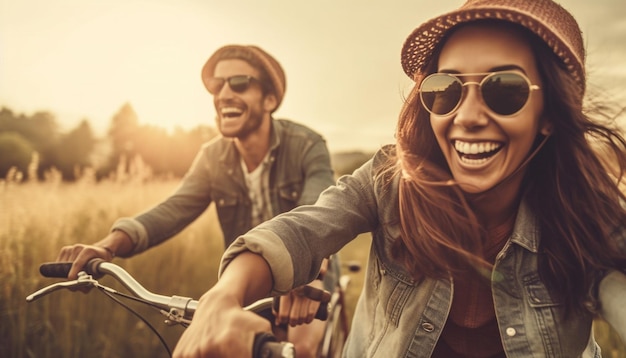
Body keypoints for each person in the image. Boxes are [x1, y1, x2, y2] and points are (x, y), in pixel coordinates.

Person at [172, 0, 626, 357]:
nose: (465, 116)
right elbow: (304, 227)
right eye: (444, 89)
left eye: (503, 89)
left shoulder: (586, 215)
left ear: (549, 114)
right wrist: (221, 299)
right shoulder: (390, 182)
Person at [55, 44, 337, 358]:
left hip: (310, 275)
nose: (223, 94)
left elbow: (317, 210)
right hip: (248, 282)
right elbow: (173, 209)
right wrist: (106, 246)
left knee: (303, 349)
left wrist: (301, 267)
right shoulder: (212, 157)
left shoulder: (307, 145)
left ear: (270, 100)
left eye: (239, 82)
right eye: (218, 85)